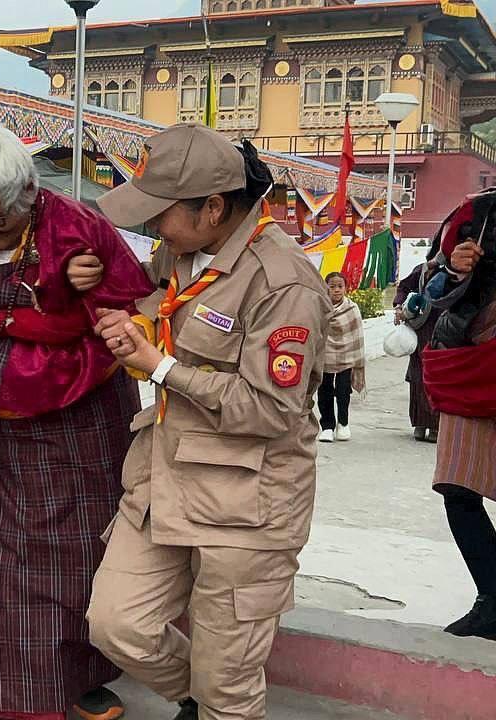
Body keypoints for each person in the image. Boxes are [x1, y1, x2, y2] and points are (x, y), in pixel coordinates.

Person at [0, 123, 154, 720]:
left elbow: (129, 312)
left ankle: (78, 680)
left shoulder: (77, 228)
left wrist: (88, 303)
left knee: (74, 560)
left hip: (80, 421)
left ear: (26, 193)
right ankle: (5, 696)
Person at [85, 124, 331, 720]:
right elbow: (156, 305)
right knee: (117, 624)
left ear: (214, 207)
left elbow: (271, 408)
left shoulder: (283, 282)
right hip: (164, 482)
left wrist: (162, 368)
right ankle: (197, 697)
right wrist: (134, 325)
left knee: (228, 687)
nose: (152, 226)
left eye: (162, 212)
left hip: (247, 506)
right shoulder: (177, 253)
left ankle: (215, 703)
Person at [421, 189, 496, 641]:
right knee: (456, 486)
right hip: (472, 364)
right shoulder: (474, 213)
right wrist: (453, 268)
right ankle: (491, 597)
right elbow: (426, 288)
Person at [394, 248, 443, 443]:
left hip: (442, 332)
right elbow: (403, 288)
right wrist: (399, 307)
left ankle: (435, 425)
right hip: (419, 331)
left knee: (436, 378)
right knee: (417, 378)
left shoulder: (451, 274)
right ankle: (419, 424)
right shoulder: (420, 271)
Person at [317, 272, 365, 443]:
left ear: (345, 288)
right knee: (325, 390)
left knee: (343, 389)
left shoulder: (352, 309)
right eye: (332, 286)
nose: (336, 290)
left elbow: (357, 335)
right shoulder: (319, 308)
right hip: (325, 356)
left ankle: (343, 423)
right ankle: (327, 427)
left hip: (347, 356)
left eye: (340, 286)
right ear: (326, 288)